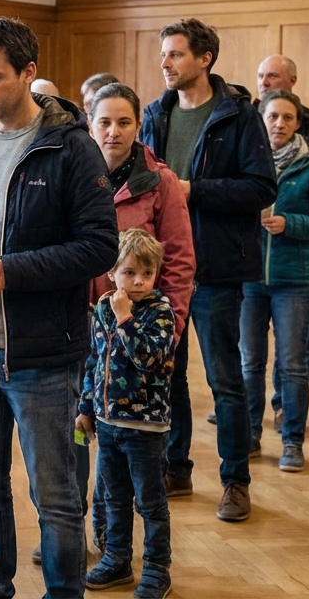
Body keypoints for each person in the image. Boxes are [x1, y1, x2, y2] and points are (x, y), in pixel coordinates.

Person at [0, 18, 119, 598]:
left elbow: (99, 248)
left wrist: (13, 271)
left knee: (55, 498)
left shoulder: (72, 148)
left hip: (40, 355)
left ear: (29, 75)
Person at [139, 18, 276, 522]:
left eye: (175, 54)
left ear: (205, 59)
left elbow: (262, 188)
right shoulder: (154, 113)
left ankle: (235, 481)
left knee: (226, 380)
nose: (166, 64)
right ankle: (176, 468)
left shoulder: (239, 115)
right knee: (167, 376)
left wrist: (195, 190)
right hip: (162, 268)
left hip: (217, 267)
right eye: (164, 55)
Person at [81, 82, 195, 559]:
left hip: (146, 330)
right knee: (91, 437)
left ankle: (137, 554)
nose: (113, 131)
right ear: (90, 123)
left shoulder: (160, 181)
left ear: (138, 125)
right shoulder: (77, 172)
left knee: (135, 454)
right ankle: (99, 541)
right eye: (104, 121)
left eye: (124, 121)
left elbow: (180, 263)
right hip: (86, 327)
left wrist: (163, 332)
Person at [238, 91, 309, 473]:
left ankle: (292, 441)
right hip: (249, 279)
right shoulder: (246, 164)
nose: (279, 124)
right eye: (272, 116)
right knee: (250, 363)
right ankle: (249, 434)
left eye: (287, 118)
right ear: (261, 120)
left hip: (296, 281)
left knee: (293, 365)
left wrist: (290, 224)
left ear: (298, 123)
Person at [77, 229, 176, 599]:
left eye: (147, 274)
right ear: (111, 273)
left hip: (145, 428)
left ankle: (156, 569)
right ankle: (117, 558)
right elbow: (95, 360)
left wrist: (126, 319)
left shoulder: (160, 312)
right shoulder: (103, 307)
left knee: (149, 502)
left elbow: (149, 359)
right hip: (107, 424)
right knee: (113, 498)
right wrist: (86, 406)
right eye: (129, 272)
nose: (138, 281)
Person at [257, 55, 309, 150]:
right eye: (260, 76)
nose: (264, 83)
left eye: (272, 76)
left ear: (292, 80)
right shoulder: (249, 115)